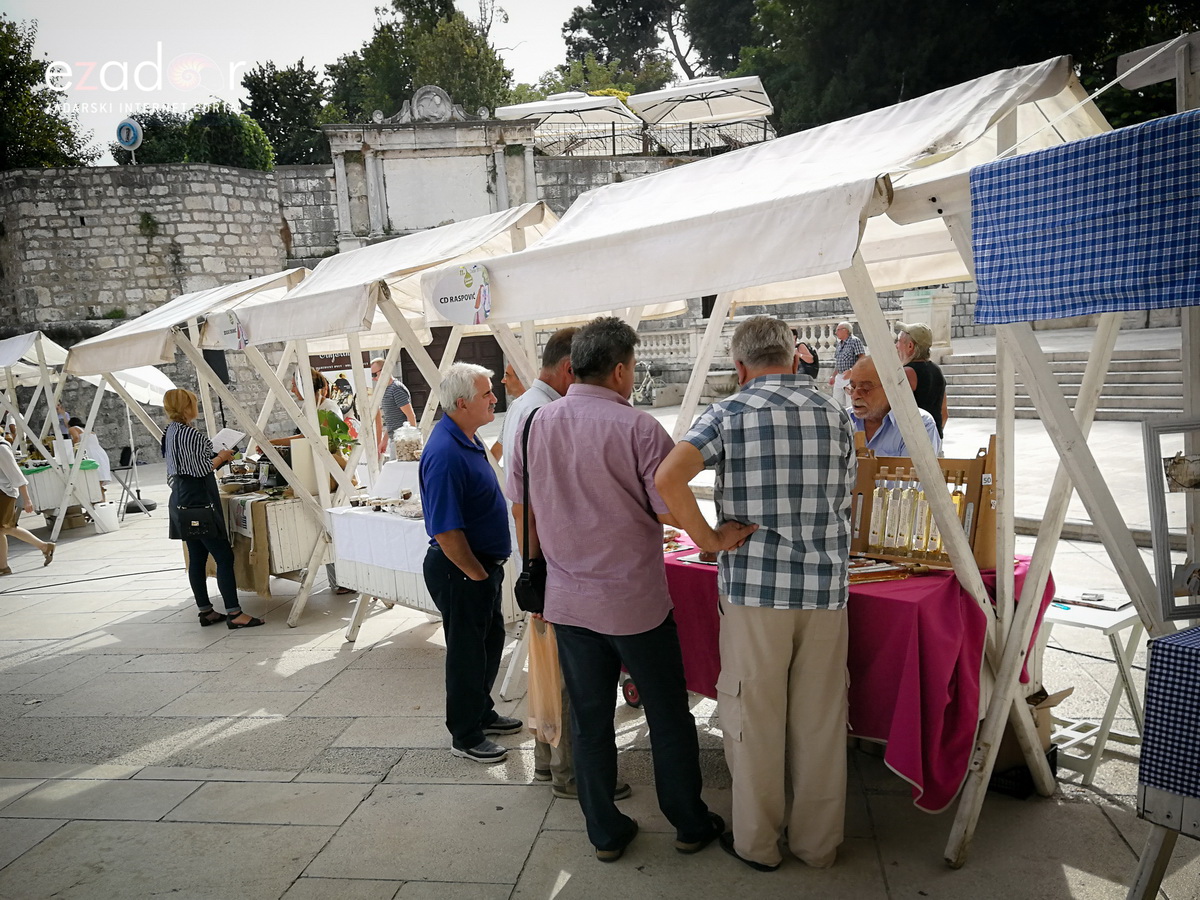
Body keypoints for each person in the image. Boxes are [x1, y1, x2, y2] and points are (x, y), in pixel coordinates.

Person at [506, 317, 748, 863]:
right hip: (633, 601)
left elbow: (523, 510)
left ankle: (605, 831)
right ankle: (687, 820)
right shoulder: (638, 428)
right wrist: (711, 538)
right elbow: (669, 505)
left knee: (590, 720)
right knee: (666, 713)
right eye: (632, 367)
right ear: (620, 370)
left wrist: (537, 569)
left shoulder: (534, 425)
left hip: (568, 600)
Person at [656, 315, 856, 871]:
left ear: (740, 367)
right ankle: (818, 845)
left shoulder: (730, 412)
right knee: (820, 721)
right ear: (795, 359)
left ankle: (758, 844)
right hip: (825, 590)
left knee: (755, 719)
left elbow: (668, 477)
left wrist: (709, 542)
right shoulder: (836, 413)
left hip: (756, 590)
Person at [499, 327, 621, 801]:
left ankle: (551, 764)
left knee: (551, 671)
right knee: (571, 676)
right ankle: (570, 772)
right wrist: (539, 569)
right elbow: (525, 505)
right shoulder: (543, 410)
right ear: (570, 368)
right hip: (553, 566)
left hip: (543, 563)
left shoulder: (529, 405)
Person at [419, 362, 522, 764]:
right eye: (486, 394)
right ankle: (464, 734)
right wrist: (477, 575)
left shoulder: (467, 437)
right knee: (466, 653)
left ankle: (481, 712)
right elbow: (446, 532)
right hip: (461, 569)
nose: (495, 398)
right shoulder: (445, 451)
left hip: (479, 567)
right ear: (462, 403)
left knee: (489, 642)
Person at [161, 388, 263, 630]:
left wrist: (216, 456)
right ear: (187, 407)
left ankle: (205, 610)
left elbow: (185, 463)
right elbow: (201, 469)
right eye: (193, 403)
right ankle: (234, 613)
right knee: (223, 555)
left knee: (197, 556)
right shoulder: (191, 434)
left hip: (180, 499)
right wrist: (223, 456)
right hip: (199, 500)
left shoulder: (170, 432)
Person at [846, 357, 941, 456]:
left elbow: (913, 471)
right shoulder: (841, 420)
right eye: (852, 388)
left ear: (890, 388)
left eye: (865, 388)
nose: (854, 396)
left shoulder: (918, 424)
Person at [0, 432, 55, 575]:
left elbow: (17, 476)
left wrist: (27, 499)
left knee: (5, 528)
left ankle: (3, 567)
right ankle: (44, 547)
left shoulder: (1, 448)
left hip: (4, 493)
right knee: (6, 529)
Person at [895, 322, 948, 439]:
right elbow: (944, 414)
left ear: (910, 346)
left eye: (898, 341)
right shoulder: (936, 370)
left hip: (915, 442)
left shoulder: (907, 373)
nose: (896, 346)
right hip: (935, 438)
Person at [370, 357, 417, 457]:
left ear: (384, 371)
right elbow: (392, 421)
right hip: (395, 439)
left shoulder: (396, 389)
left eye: (375, 374)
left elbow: (410, 416)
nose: (373, 378)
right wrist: (385, 440)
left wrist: (411, 443)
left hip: (402, 441)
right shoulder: (386, 389)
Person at [67, 416, 111, 497]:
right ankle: (100, 500)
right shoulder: (89, 430)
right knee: (98, 481)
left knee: (92, 480)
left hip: (91, 454)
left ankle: (96, 501)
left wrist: (71, 446)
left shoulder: (72, 428)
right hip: (100, 453)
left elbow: (76, 438)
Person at [829, 321, 865, 403]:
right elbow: (838, 362)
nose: (835, 332)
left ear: (845, 330)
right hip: (839, 377)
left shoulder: (855, 341)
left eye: (838, 330)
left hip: (851, 377)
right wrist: (833, 376)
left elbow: (862, 358)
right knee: (836, 402)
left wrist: (852, 370)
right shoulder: (839, 344)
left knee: (850, 402)